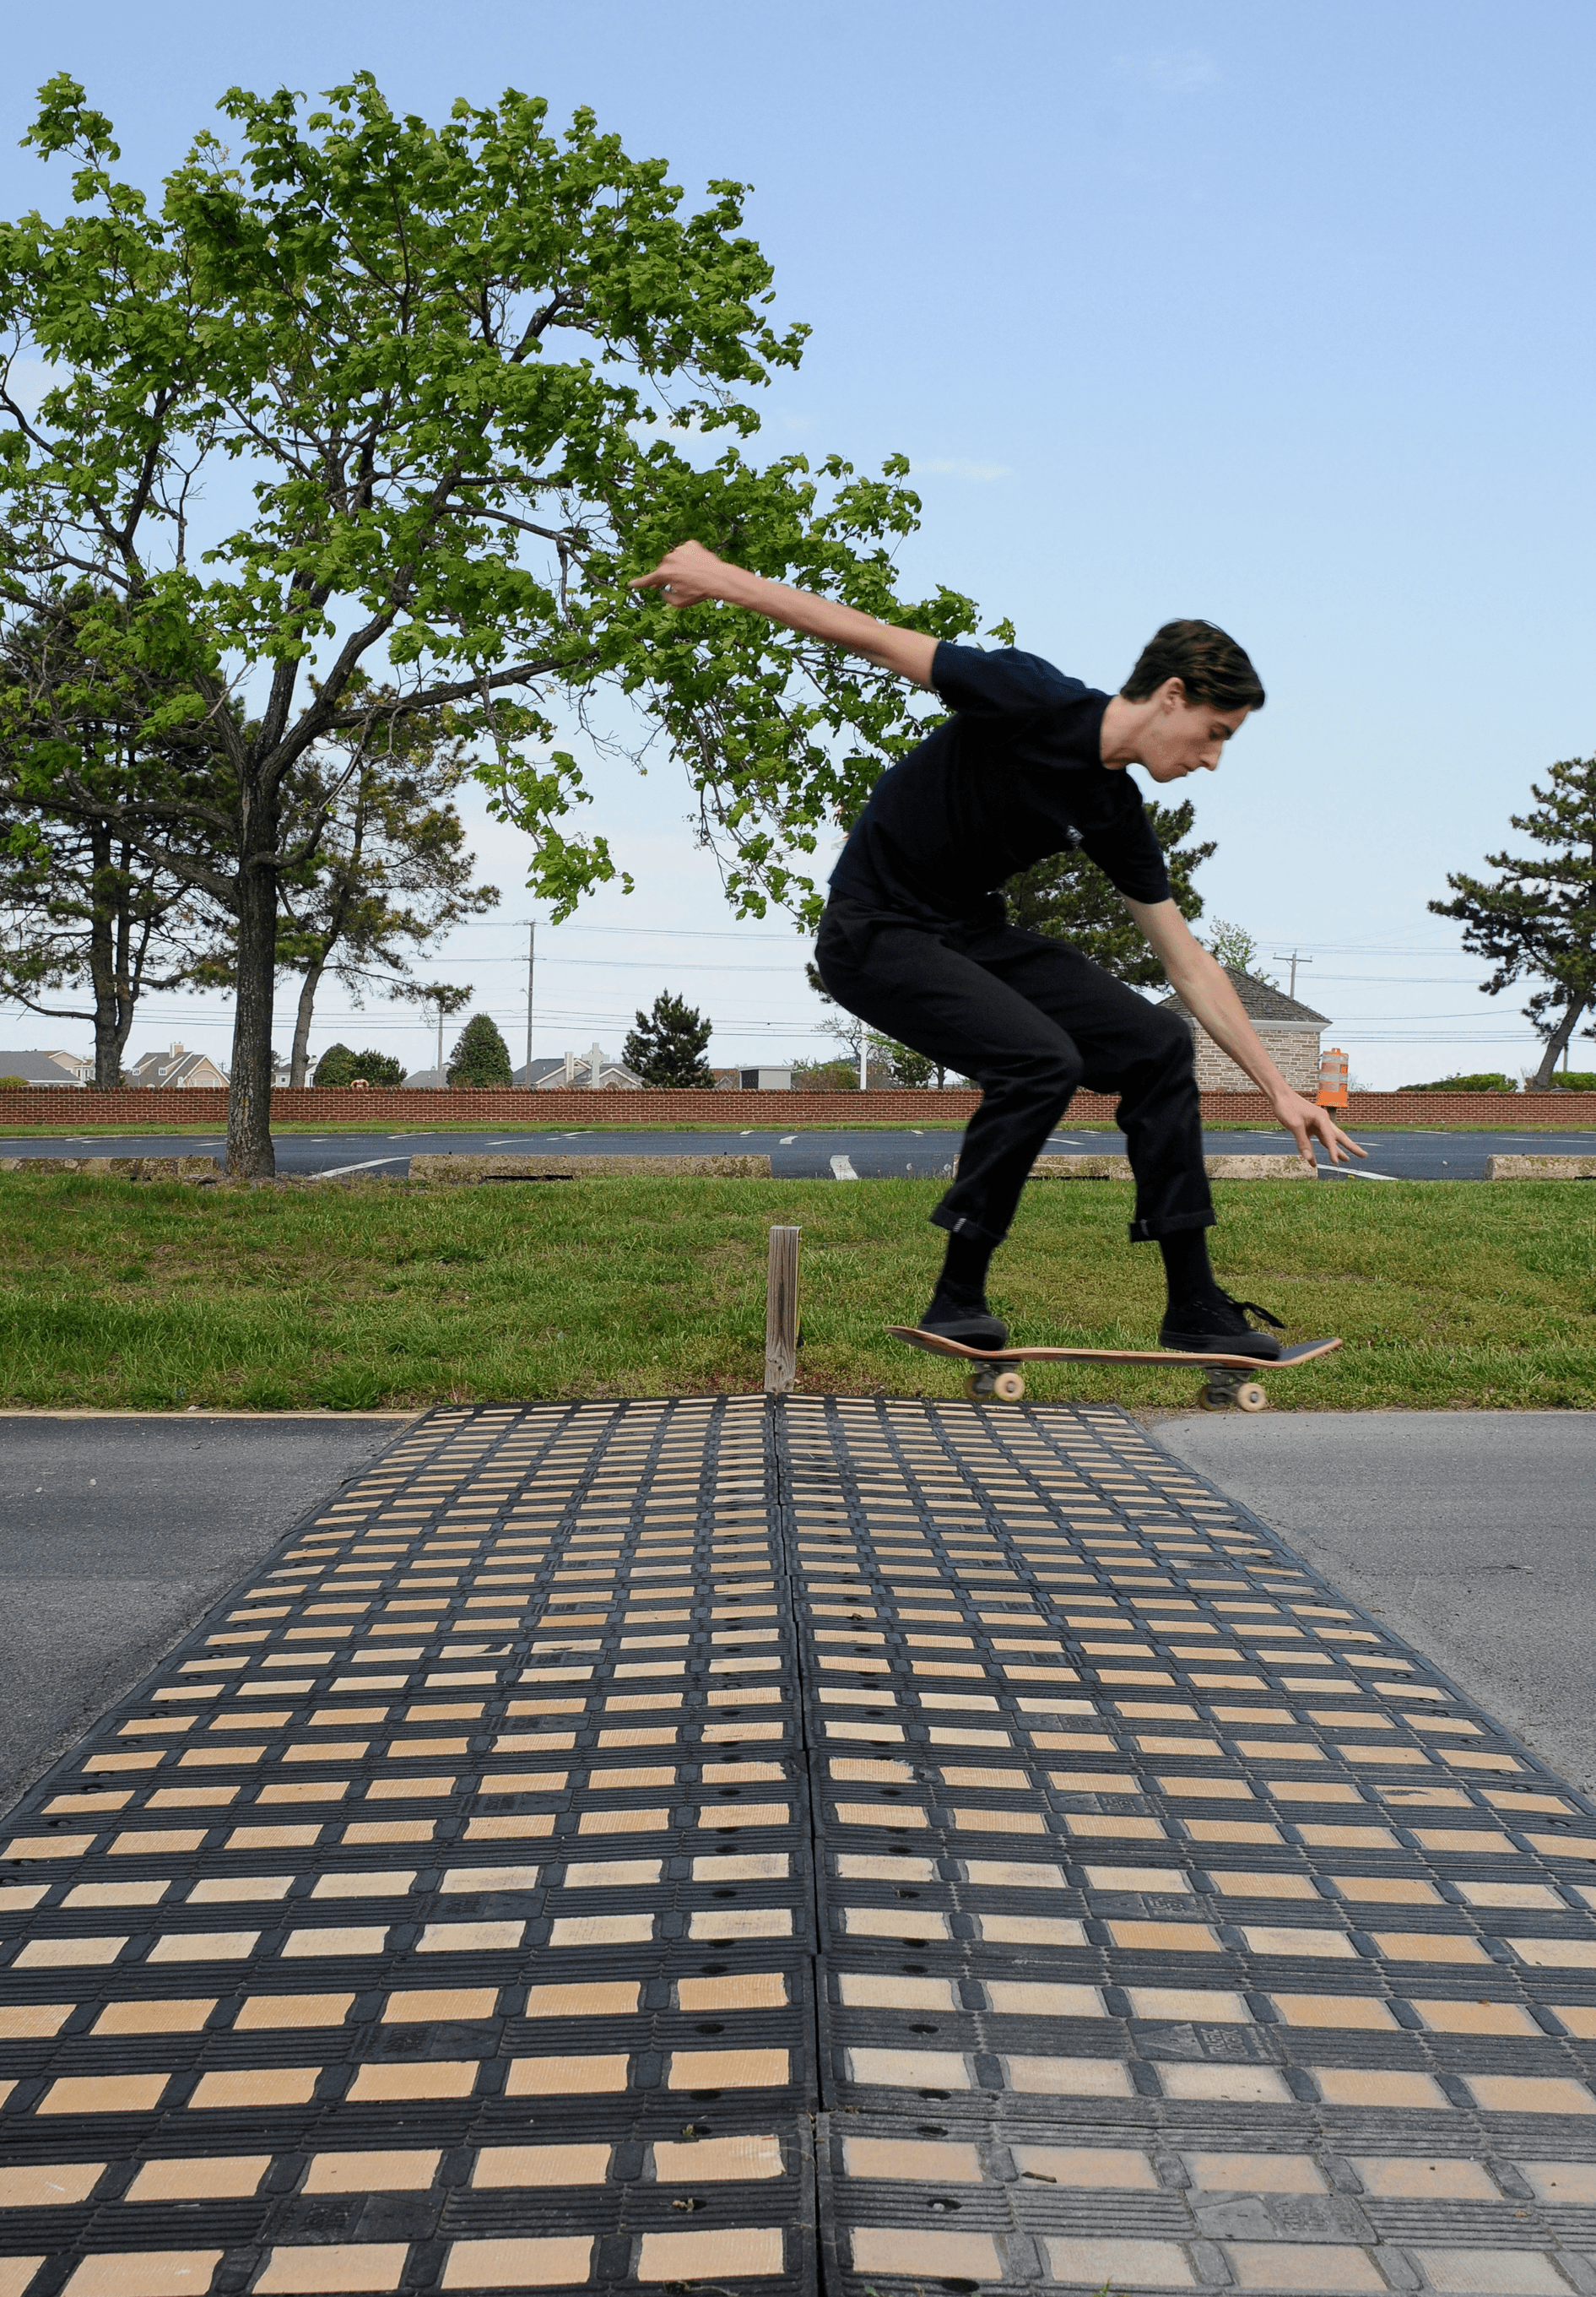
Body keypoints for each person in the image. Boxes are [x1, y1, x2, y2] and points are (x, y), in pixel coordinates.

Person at [631, 540, 1364, 1357]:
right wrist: (718, 576)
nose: (1211, 758)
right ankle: (957, 1297)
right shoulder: (1029, 696)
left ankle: (1193, 1305)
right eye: (1213, 732)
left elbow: (1185, 958)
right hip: (872, 928)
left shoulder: (1114, 809)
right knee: (1040, 1060)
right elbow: (868, 635)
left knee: (1157, 1045)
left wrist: (1277, 1088)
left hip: (967, 930)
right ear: (1170, 695)